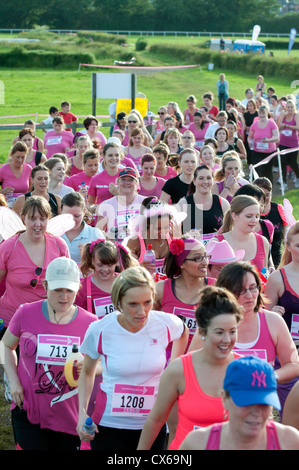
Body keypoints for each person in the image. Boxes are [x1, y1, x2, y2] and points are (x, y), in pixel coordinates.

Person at [76, 266, 189, 450]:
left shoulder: (165, 323)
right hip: (109, 425)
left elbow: (183, 332)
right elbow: (87, 372)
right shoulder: (100, 329)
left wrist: (171, 368)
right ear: (118, 302)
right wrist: (81, 413)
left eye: (147, 302)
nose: (142, 312)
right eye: (133, 304)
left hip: (152, 423)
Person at [1, 257, 98, 450]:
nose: (64, 297)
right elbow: (5, 346)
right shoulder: (25, 313)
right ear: (45, 286)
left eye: (69, 290)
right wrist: (14, 382)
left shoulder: (91, 323)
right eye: (57, 290)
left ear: (78, 288)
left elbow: (103, 363)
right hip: (29, 410)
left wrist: (88, 366)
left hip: (70, 415)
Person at [137, 285, 243, 450]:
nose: (227, 339)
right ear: (202, 331)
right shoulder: (178, 370)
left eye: (232, 331)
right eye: (220, 332)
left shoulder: (246, 370)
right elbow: (156, 419)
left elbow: (262, 424)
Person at [180, 356, 299, 450]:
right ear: (225, 399)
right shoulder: (197, 444)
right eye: (246, 403)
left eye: (264, 404)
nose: (256, 412)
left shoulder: (290, 442)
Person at [0, 196, 70, 336]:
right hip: (12, 322)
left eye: (42, 219)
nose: (38, 224)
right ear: (23, 218)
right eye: (32, 218)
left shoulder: (59, 245)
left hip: (48, 320)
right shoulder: (8, 247)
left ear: (48, 219)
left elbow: (68, 284)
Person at [263, 222, 299, 409]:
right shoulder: (277, 278)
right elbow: (262, 318)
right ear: (289, 246)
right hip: (287, 354)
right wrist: (271, 313)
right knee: (291, 411)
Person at [76, 239, 138, 316]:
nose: (105, 270)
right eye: (100, 265)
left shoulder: (124, 281)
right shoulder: (83, 288)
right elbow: (79, 317)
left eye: (110, 265)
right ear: (92, 261)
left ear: (116, 262)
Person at [212, 195, 270, 274]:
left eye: (257, 216)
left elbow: (265, 274)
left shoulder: (263, 241)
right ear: (234, 216)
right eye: (249, 216)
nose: (254, 220)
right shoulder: (217, 242)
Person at [176, 164, 230, 242]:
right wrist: (185, 236)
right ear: (194, 181)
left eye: (208, 178)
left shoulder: (223, 203)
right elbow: (174, 234)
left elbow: (231, 230)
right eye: (201, 178)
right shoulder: (184, 204)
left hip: (217, 251)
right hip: (192, 250)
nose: (205, 182)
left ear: (213, 180)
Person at [96, 167, 145, 242]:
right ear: (117, 182)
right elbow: (98, 232)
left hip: (139, 247)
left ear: (136, 183)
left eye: (131, 180)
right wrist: (108, 235)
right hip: (115, 248)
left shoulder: (145, 202)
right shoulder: (107, 205)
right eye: (123, 179)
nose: (127, 182)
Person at [61, 192, 105, 264]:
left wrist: (89, 256)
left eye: (77, 216)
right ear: (61, 212)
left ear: (84, 212)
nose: (72, 220)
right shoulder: (53, 233)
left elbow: (105, 263)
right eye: (68, 215)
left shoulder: (95, 234)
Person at [254, 176, 288, 268]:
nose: (264, 198)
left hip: (277, 261)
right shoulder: (250, 213)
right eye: (260, 195)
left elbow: (286, 236)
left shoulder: (278, 209)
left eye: (267, 195)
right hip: (257, 263)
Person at [247, 104, 279, 183]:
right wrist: (250, 142)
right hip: (257, 152)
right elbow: (249, 137)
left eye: (263, 113)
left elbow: (277, 137)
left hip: (269, 152)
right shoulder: (254, 124)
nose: (261, 115)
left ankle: (268, 189)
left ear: (267, 113)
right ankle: (257, 188)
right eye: (260, 113)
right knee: (257, 171)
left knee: (267, 172)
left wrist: (268, 140)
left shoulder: (271, 123)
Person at [87, 143, 123, 213]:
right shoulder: (96, 179)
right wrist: (97, 207)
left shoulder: (127, 176)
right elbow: (90, 203)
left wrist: (117, 194)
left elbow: (133, 202)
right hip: (102, 220)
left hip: (121, 220)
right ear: (103, 157)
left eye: (117, 155)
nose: (114, 158)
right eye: (110, 155)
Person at [0, 142, 32, 208]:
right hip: (7, 208)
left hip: (23, 207)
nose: (20, 160)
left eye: (23, 157)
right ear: (11, 155)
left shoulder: (29, 169)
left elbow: (31, 190)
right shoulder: (3, 170)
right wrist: (2, 192)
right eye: (17, 157)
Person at [277, 99, 299, 190]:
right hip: (283, 142)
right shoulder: (283, 114)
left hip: (293, 143)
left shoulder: (296, 115)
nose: (290, 109)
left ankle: (297, 176)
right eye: (288, 107)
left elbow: (297, 127)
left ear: (294, 108)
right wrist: (285, 125)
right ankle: (284, 183)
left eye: (291, 107)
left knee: (293, 162)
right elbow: (279, 125)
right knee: (282, 162)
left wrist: (286, 126)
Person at [243, 99, 259, 165]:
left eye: (251, 105)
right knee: (248, 149)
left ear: (254, 106)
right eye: (248, 106)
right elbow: (244, 125)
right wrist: (247, 128)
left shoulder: (257, 113)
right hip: (248, 134)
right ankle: (249, 164)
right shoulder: (246, 114)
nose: (249, 107)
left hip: (256, 134)